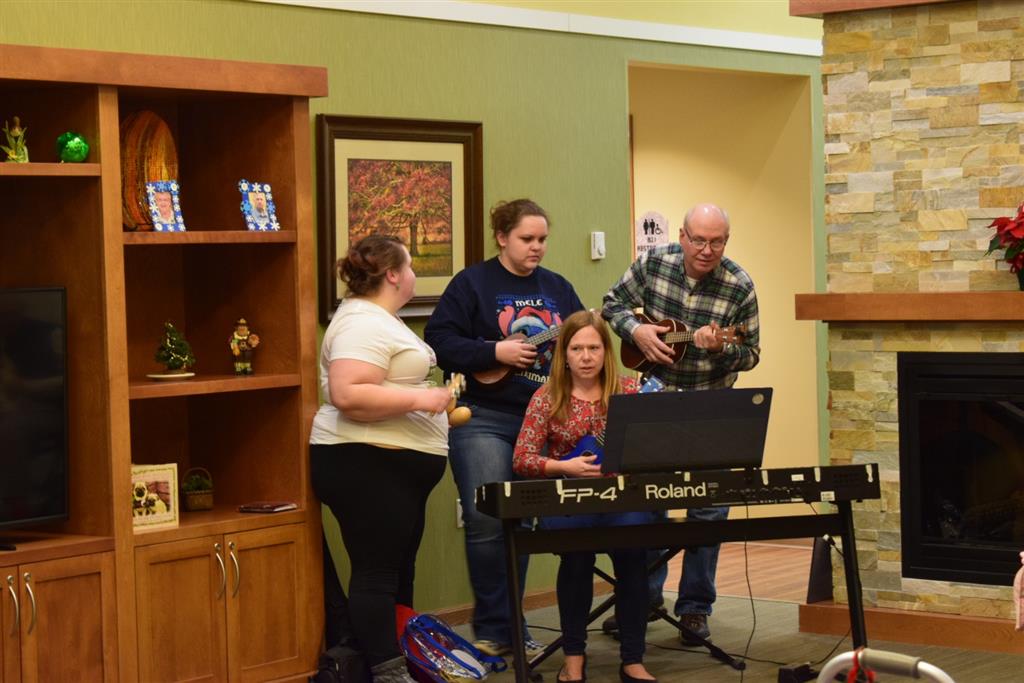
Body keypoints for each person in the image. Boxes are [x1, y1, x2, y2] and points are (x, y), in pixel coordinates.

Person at [424, 198, 584, 657]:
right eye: (527, 239)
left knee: (526, 518)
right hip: (484, 418)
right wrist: (495, 353)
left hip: (545, 419)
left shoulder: (558, 287)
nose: (537, 248)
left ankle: (517, 626)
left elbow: (579, 341)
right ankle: (495, 629)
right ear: (502, 237)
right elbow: (439, 342)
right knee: (489, 518)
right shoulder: (472, 283)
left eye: (542, 239)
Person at [601, 202, 760, 645]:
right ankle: (644, 599)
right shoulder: (654, 262)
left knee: (708, 508)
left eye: (718, 241)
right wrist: (637, 332)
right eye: (699, 240)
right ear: (684, 237)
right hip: (652, 400)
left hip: (711, 404)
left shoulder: (739, 285)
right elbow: (612, 304)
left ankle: (694, 609)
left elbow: (750, 353)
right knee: (648, 502)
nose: (707, 250)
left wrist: (716, 347)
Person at [310, 234, 453, 683]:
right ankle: (389, 674)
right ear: (393, 274)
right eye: (409, 267)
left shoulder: (378, 319)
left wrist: (434, 407)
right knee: (376, 573)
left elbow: (385, 386)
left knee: (394, 571)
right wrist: (425, 399)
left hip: (394, 465)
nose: (412, 275)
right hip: (366, 463)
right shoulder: (360, 323)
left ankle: (400, 657)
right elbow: (349, 392)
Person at [513, 310, 658, 683]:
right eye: (577, 348)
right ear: (564, 354)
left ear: (606, 352)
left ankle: (633, 658)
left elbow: (655, 443)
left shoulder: (629, 392)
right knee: (576, 561)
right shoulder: (547, 397)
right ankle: (574, 657)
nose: (586, 356)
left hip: (621, 498)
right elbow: (523, 459)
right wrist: (564, 468)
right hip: (570, 499)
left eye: (594, 347)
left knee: (633, 556)